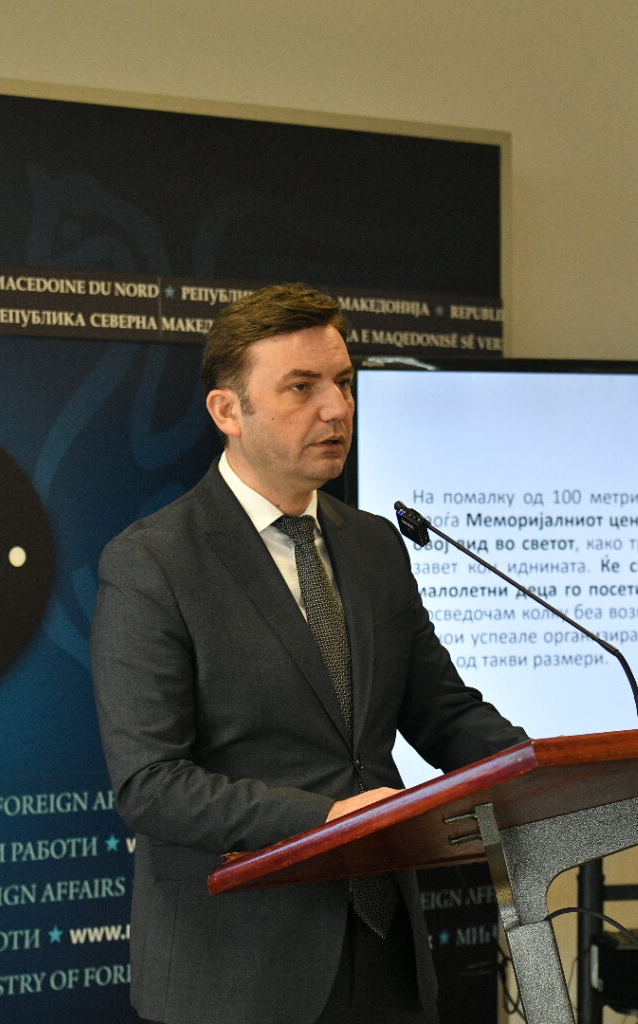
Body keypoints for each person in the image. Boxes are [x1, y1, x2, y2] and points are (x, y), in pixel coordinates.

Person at [91, 283, 526, 1024]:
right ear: (228, 412)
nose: (337, 409)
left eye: (344, 383)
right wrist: (328, 817)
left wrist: (542, 770)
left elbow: (443, 713)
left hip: (386, 950)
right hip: (240, 972)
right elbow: (152, 785)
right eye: (302, 388)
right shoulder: (154, 562)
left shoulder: (374, 545)